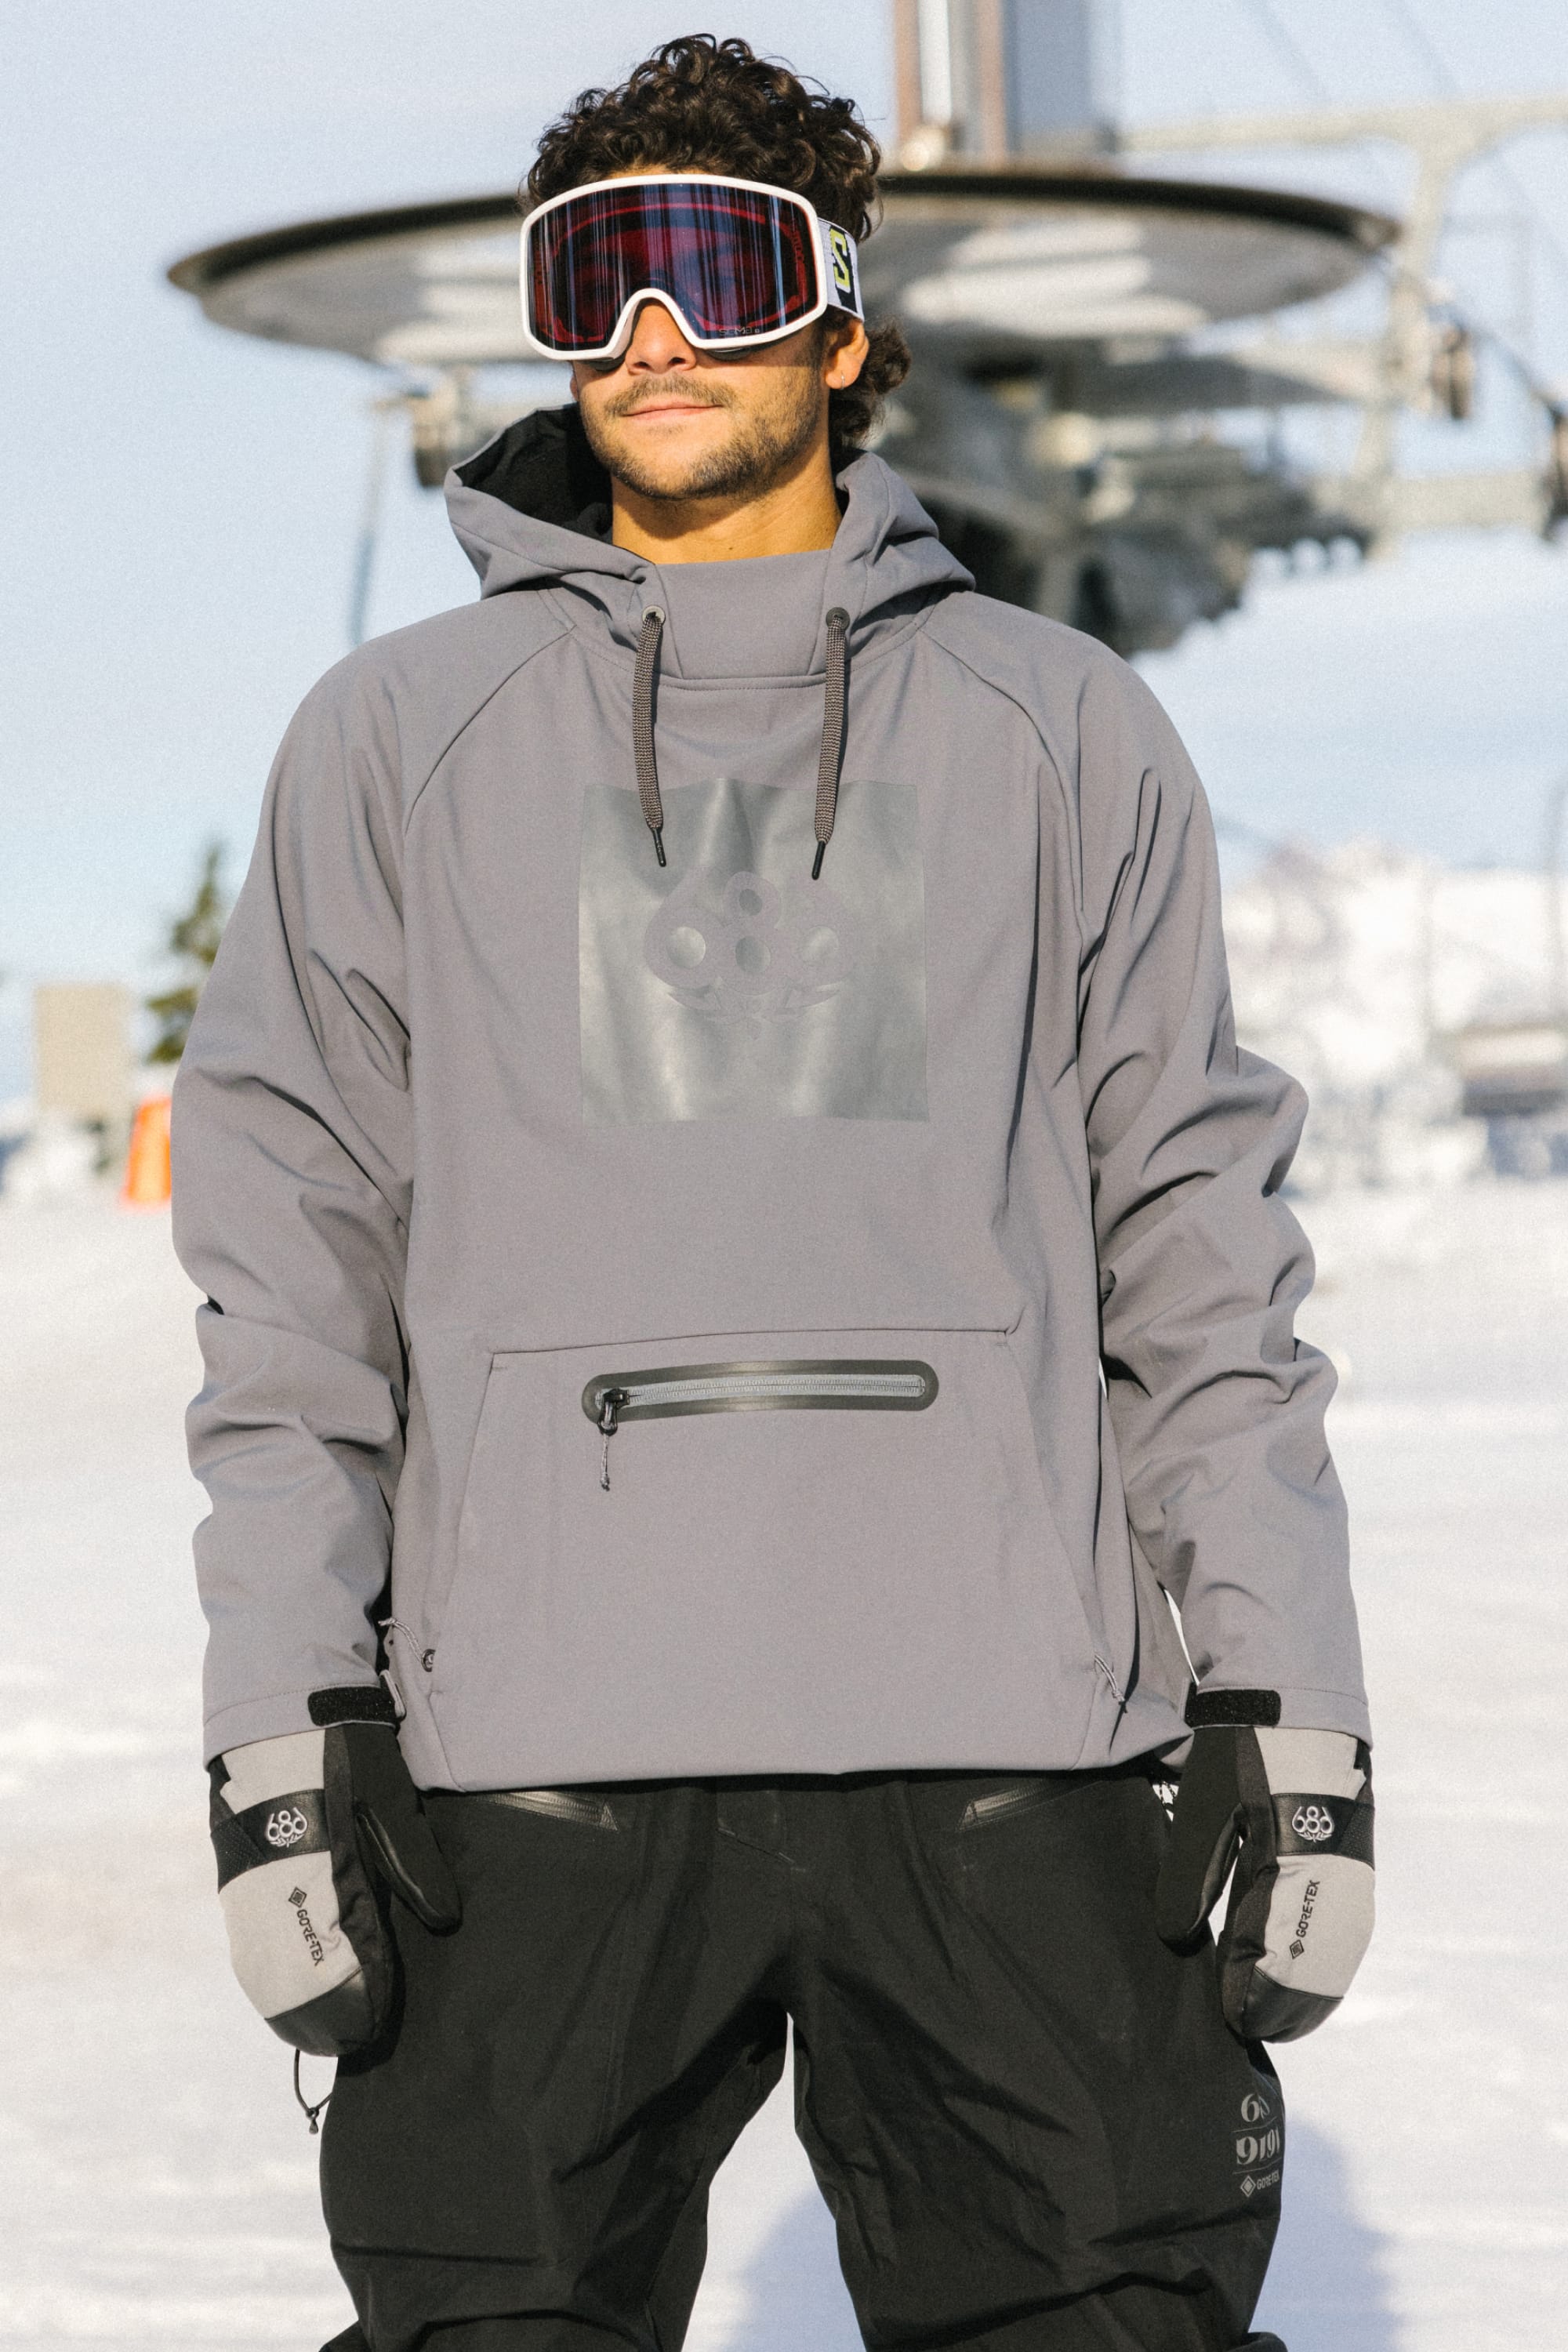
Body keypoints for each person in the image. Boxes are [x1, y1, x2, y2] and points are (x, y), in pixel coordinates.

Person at [173, 35, 1374, 2352]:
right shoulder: (391, 743)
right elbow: (294, 1274)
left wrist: (1289, 1708)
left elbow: (1202, 1255)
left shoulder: (1061, 726)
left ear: (840, 329)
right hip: (533, 1744)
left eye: (717, 273)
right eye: (592, 275)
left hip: (1013, 1739)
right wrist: (280, 1722)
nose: (648, 336)